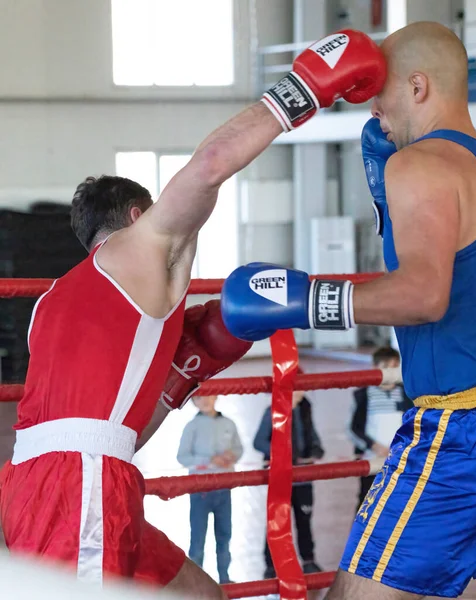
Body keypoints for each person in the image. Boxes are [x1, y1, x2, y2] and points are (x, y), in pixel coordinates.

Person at [0, 27, 387, 597]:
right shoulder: (138, 248)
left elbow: (115, 431)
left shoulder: (54, 302)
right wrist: (306, 85)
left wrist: (188, 367)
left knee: (198, 592)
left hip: (61, 480)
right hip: (77, 490)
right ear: (137, 215)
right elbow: (209, 164)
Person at [220, 21, 476, 600]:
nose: (372, 105)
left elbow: (423, 295)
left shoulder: (418, 166)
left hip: (464, 431)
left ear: (418, 87)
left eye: (380, 90)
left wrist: (302, 300)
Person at [253, 386, 324, 579]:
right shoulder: (271, 412)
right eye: (293, 389)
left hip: (302, 478)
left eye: (300, 389)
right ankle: (271, 564)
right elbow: (258, 442)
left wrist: (316, 451)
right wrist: (283, 452)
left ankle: (308, 561)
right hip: (279, 477)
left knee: (304, 521)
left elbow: (314, 438)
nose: (297, 393)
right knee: (276, 522)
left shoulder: (305, 410)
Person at [177, 394, 243, 584]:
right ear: (192, 401)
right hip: (200, 490)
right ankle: (197, 583)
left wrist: (232, 456)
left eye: (208, 395)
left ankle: (225, 578)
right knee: (198, 537)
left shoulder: (229, 423)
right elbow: (182, 457)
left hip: (224, 488)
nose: (204, 400)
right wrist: (208, 460)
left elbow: (239, 448)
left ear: (216, 396)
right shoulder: (192, 426)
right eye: (198, 397)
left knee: (224, 535)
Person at [349, 346, 412, 510]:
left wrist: (402, 447)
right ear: (375, 368)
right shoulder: (363, 395)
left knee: (400, 504)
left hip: (400, 459)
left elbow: (412, 426)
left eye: (394, 367)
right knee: (367, 503)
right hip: (371, 459)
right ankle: (361, 536)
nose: (390, 373)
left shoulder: (407, 394)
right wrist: (374, 446)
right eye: (386, 367)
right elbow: (353, 428)